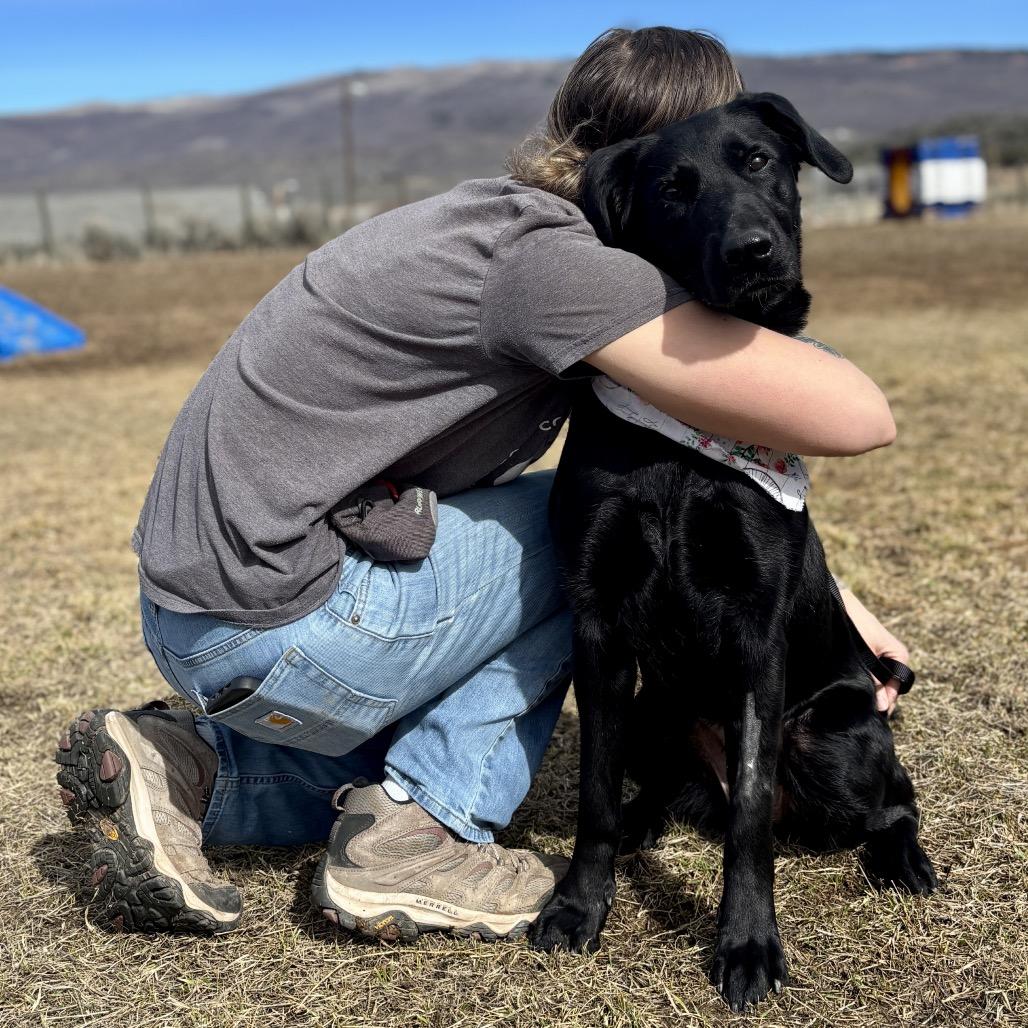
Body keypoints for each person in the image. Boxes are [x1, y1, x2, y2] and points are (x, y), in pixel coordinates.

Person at [54, 26, 910, 939]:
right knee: (584, 532)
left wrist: (825, 595)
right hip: (277, 619)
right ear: (647, 169)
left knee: (548, 578)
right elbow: (857, 415)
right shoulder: (567, 268)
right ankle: (418, 838)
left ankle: (193, 766)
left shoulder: (496, 219)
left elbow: (712, 474)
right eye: (703, 167)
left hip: (203, 610)